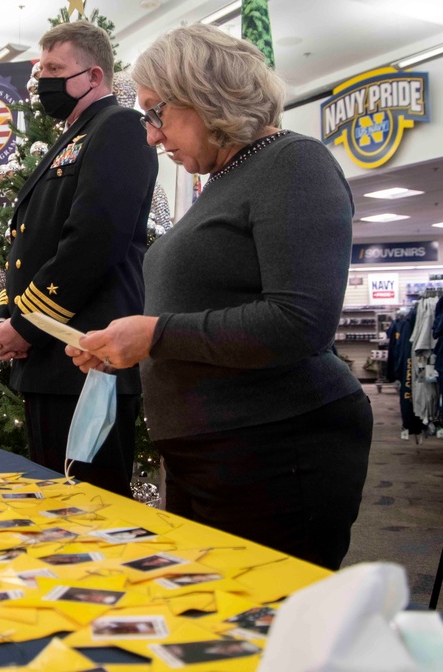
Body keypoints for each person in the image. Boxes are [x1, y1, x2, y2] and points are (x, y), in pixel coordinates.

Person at [67, 24, 372, 571]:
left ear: (208, 95)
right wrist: (126, 345)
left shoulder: (293, 163)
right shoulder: (232, 177)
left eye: (156, 112)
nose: (151, 136)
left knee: (264, 635)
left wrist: (155, 334)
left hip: (277, 450)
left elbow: (300, 321)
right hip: (214, 452)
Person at [0, 20, 158, 497]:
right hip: (52, 356)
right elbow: (29, 245)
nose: (43, 80)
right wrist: (7, 316)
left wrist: (26, 325)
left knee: (91, 507)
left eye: (56, 68)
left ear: (95, 76)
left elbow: (93, 241)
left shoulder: (120, 127)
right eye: (41, 69)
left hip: (87, 355)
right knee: (58, 504)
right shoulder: (72, 135)